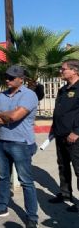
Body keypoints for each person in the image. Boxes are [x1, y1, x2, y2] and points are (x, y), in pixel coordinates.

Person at [0, 65, 39, 228]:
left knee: (26, 181)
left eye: (11, 78)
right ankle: (2, 207)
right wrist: (6, 117)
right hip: (2, 141)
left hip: (21, 143)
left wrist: (1, 114)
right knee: (2, 177)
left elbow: (15, 116)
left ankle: (32, 218)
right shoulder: (1, 95)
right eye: (6, 77)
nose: (7, 80)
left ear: (21, 79)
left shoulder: (29, 95)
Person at [49, 59, 79, 213]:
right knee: (63, 166)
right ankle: (65, 194)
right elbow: (59, 112)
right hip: (60, 135)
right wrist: (53, 128)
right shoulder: (62, 90)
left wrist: (77, 131)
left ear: (74, 71)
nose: (61, 71)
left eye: (63, 69)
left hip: (75, 137)